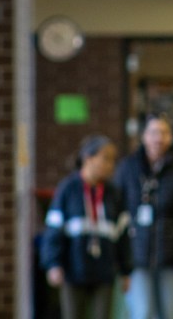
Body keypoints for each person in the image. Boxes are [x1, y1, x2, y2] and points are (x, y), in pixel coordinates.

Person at [114, 114, 173, 319]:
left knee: (168, 313)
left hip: (170, 252)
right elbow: (116, 209)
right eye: (153, 132)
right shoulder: (128, 168)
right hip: (136, 254)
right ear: (144, 136)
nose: (158, 138)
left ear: (170, 137)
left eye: (163, 133)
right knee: (143, 312)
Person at [40, 135, 132, 319]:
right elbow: (53, 230)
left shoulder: (114, 193)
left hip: (104, 271)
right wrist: (53, 264)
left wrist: (126, 271)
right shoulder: (68, 189)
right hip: (73, 271)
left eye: (113, 160)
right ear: (87, 158)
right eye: (105, 158)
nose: (110, 165)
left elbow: (123, 234)